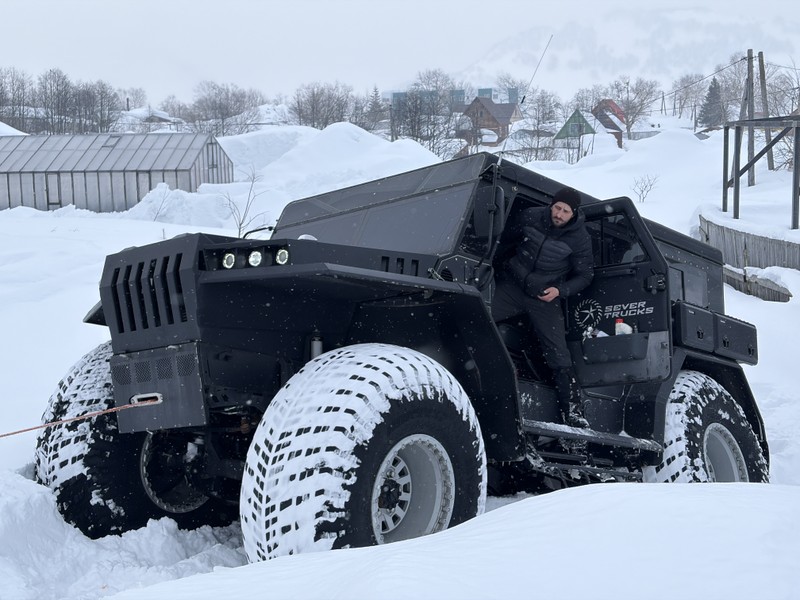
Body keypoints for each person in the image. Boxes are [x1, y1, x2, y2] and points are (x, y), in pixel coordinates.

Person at [492, 186, 594, 428]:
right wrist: (499, 267)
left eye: (565, 211)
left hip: (544, 296)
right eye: (557, 208)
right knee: (479, 317)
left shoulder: (580, 239)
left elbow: (585, 275)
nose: (559, 214)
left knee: (558, 352)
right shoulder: (530, 216)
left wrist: (560, 291)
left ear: (574, 213)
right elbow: (503, 241)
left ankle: (573, 412)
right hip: (513, 286)